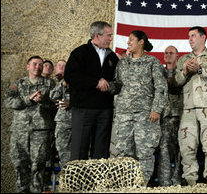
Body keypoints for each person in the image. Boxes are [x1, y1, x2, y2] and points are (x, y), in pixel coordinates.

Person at [109, 30, 167, 186]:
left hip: (145, 114)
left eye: (131, 39)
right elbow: (117, 85)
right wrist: (103, 84)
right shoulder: (122, 63)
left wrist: (156, 109)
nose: (128, 42)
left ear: (141, 42)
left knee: (145, 152)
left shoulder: (152, 62)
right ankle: (126, 185)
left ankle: (141, 185)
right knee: (124, 153)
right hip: (124, 115)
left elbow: (161, 87)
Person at [175, 26, 207, 186]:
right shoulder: (184, 59)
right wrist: (184, 72)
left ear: (203, 38)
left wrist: (200, 70)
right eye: (189, 36)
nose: (190, 39)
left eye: (193, 36)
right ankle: (190, 180)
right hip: (188, 109)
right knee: (186, 146)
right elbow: (176, 81)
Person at [64, 21, 119, 161]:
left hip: (105, 110)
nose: (111, 38)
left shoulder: (112, 56)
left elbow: (117, 81)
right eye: (108, 35)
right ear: (97, 35)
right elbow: (70, 76)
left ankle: (98, 182)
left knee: (101, 151)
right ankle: (77, 182)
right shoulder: (80, 52)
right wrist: (95, 82)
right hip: (83, 109)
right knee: (79, 150)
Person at [5, 56, 57, 193]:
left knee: (38, 166)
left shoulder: (51, 84)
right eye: (34, 64)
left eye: (40, 64)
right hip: (20, 131)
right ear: (28, 66)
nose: (37, 67)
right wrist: (28, 99)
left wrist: (43, 100)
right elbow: (8, 102)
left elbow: (57, 105)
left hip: (41, 131)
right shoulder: (19, 83)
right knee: (20, 164)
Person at [157, 45, 184, 186]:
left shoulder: (182, 72)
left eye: (171, 53)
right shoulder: (159, 72)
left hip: (181, 115)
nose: (168, 55)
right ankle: (164, 181)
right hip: (165, 116)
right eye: (166, 53)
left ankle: (178, 179)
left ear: (177, 55)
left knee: (181, 149)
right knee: (164, 148)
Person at [49, 59, 72, 168]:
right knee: (63, 151)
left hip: (78, 120)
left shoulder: (77, 79)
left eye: (64, 65)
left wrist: (71, 103)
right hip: (63, 121)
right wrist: (62, 84)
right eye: (59, 65)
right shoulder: (58, 82)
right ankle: (66, 177)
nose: (62, 67)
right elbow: (53, 96)